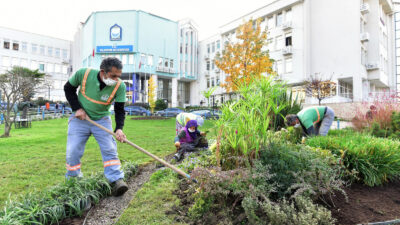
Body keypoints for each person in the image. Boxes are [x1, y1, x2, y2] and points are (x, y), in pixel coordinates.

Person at [63, 57, 128, 196]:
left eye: (119, 76)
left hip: (102, 119)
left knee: (109, 148)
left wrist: (119, 128)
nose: (116, 79)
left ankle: (116, 180)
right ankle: (74, 183)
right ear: (103, 72)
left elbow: (120, 109)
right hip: (80, 118)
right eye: (113, 76)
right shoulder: (83, 73)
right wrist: (77, 108)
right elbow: (68, 88)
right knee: (72, 151)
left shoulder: (120, 86)